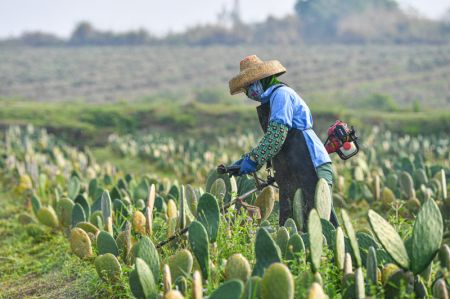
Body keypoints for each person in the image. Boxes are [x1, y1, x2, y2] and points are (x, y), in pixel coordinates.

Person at [228, 55, 339, 228]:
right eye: (245, 89)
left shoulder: (282, 95)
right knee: (294, 223)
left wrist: (254, 160)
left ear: (262, 80)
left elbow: (276, 136)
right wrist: (246, 159)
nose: (249, 93)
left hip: (310, 162)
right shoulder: (272, 99)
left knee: (321, 222)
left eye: (249, 86)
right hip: (293, 165)